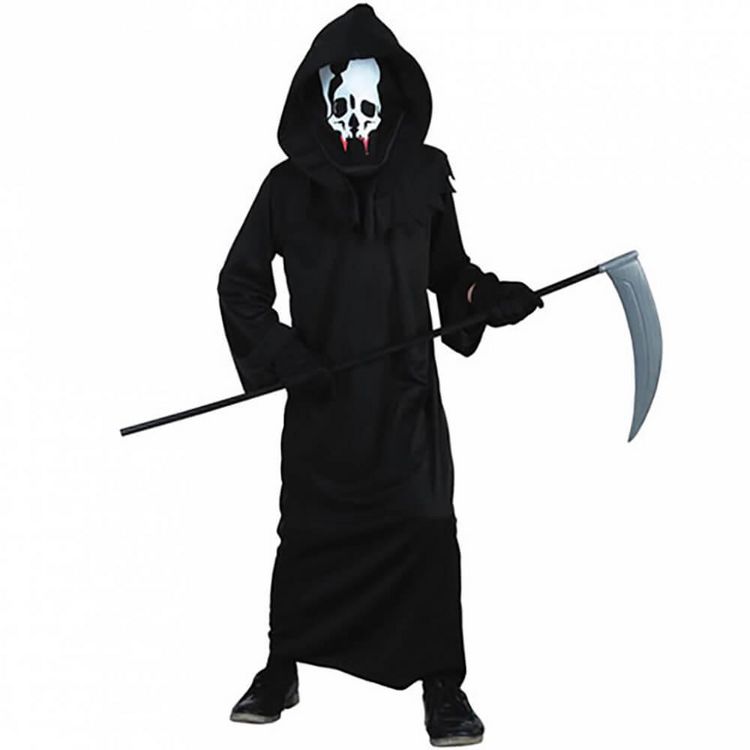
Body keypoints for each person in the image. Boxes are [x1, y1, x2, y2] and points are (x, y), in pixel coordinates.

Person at [216, 4, 543, 746]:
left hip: (404, 403)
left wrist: (484, 298)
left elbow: (449, 274)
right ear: (319, 99)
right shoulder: (284, 188)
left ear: (391, 95)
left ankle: (443, 685)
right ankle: (282, 667)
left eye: (367, 102)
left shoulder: (424, 175)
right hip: (323, 405)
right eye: (341, 103)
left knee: (425, 529)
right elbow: (239, 285)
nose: (354, 120)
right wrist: (285, 357)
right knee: (308, 535)